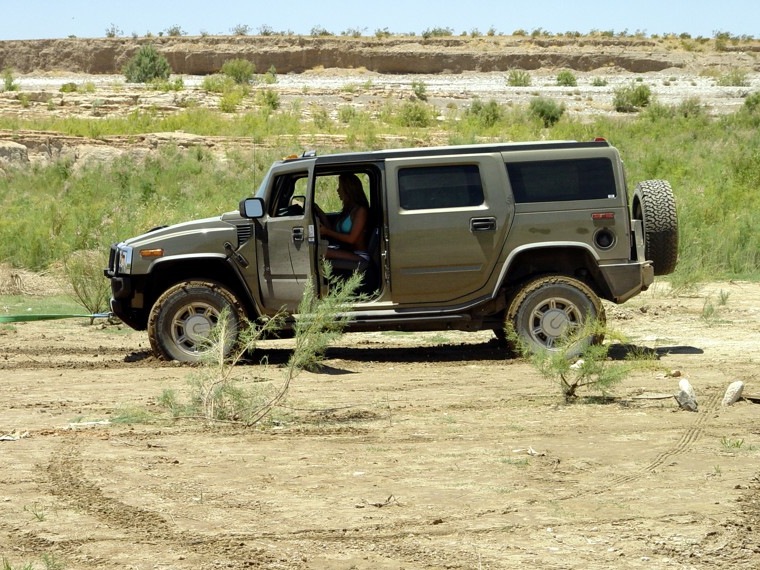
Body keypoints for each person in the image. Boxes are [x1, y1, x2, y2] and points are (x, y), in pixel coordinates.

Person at [314, 173, 371, 264]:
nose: (337, 190)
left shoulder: (361, 211)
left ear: (348, 190)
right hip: (346, 251)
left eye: (340, 187)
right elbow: (333, 231)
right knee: (316, 248)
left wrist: (327, 231)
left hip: (359, 255)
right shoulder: (348, 209)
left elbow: (351, 239)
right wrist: (320, 212)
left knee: (322, 251)